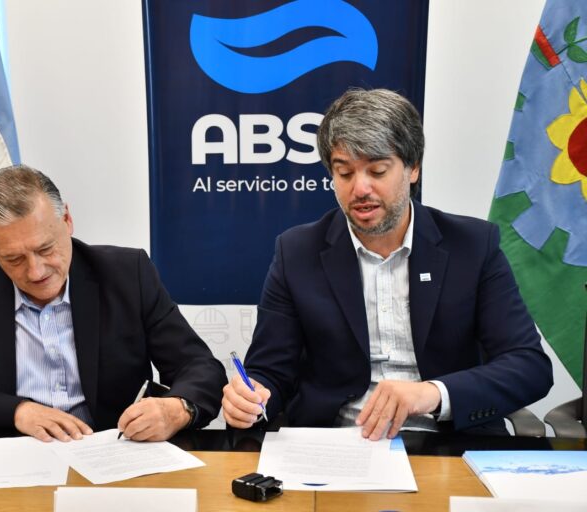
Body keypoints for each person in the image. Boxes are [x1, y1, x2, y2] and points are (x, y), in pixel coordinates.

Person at [222, 89, 553, 440]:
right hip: (335, 446)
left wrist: (433, 393)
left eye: (377, 170)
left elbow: (528, 366)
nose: (360, 188)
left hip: (448, 445)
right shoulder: (297, 252)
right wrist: (251, 398)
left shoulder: (472, 246)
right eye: (344, 173)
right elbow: (270, 372)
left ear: (413, 168)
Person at [0, 165, 226, 442]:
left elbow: (199, 367)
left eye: (45, 249)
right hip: (15, 461)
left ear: (67, 219)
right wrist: (16, 412)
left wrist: (176, 409)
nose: (36, 272)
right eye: (13, 259)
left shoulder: (128, 275)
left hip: (114, 454)